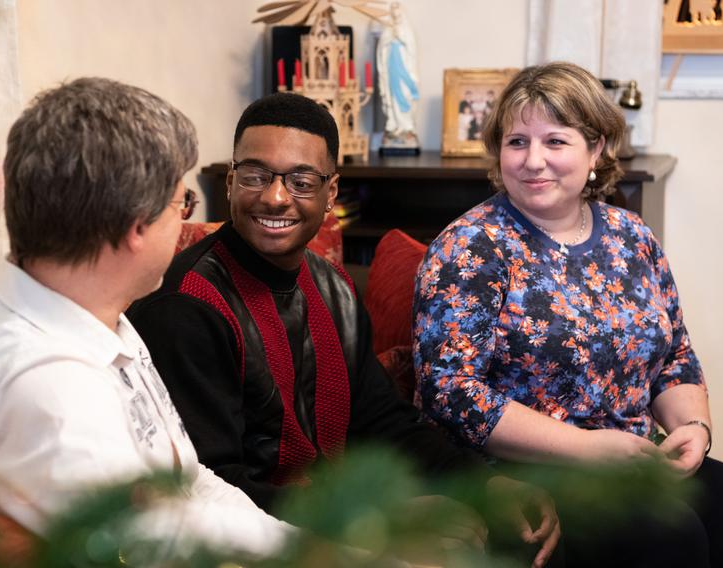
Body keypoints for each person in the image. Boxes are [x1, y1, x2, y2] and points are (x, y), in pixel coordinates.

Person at [128, 92, 561, 567]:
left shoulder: (332, 287)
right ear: (230, 183)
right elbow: (209, 485)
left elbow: (384, 421)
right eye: (255, 176)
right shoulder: (186, 305)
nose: (275, 196)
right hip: (254, 541)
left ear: (331, 193)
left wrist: (483, 483)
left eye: (300, 180)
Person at [413, 61, 723, 567]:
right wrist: (587, 449)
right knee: (670, 537)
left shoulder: (631, 235)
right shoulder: (470, 247)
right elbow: (450, 393)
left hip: (634, 454)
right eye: (517, 142)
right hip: (524, 469)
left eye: (555, 142)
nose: (533, 160)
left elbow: (674, 356)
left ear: (597, 148)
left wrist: (694, 427)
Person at [0, 78, 292, 559]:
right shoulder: (48, 390)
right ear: (134, 227)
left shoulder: (99, 318)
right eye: (182, 203)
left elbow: (190, 484)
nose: (185, 220)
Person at [376, 1, 419, 147]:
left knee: (406, 97)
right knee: (392, 98)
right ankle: (394, 125)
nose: (396, 16)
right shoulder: (387, 30)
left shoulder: (407, 30)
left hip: (404, 70)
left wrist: (400, 36)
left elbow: (411, 49)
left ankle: (406, 127)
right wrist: (389, 37)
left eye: (397, 13)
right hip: (391, 70)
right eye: (393, 13)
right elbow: (381, 48)